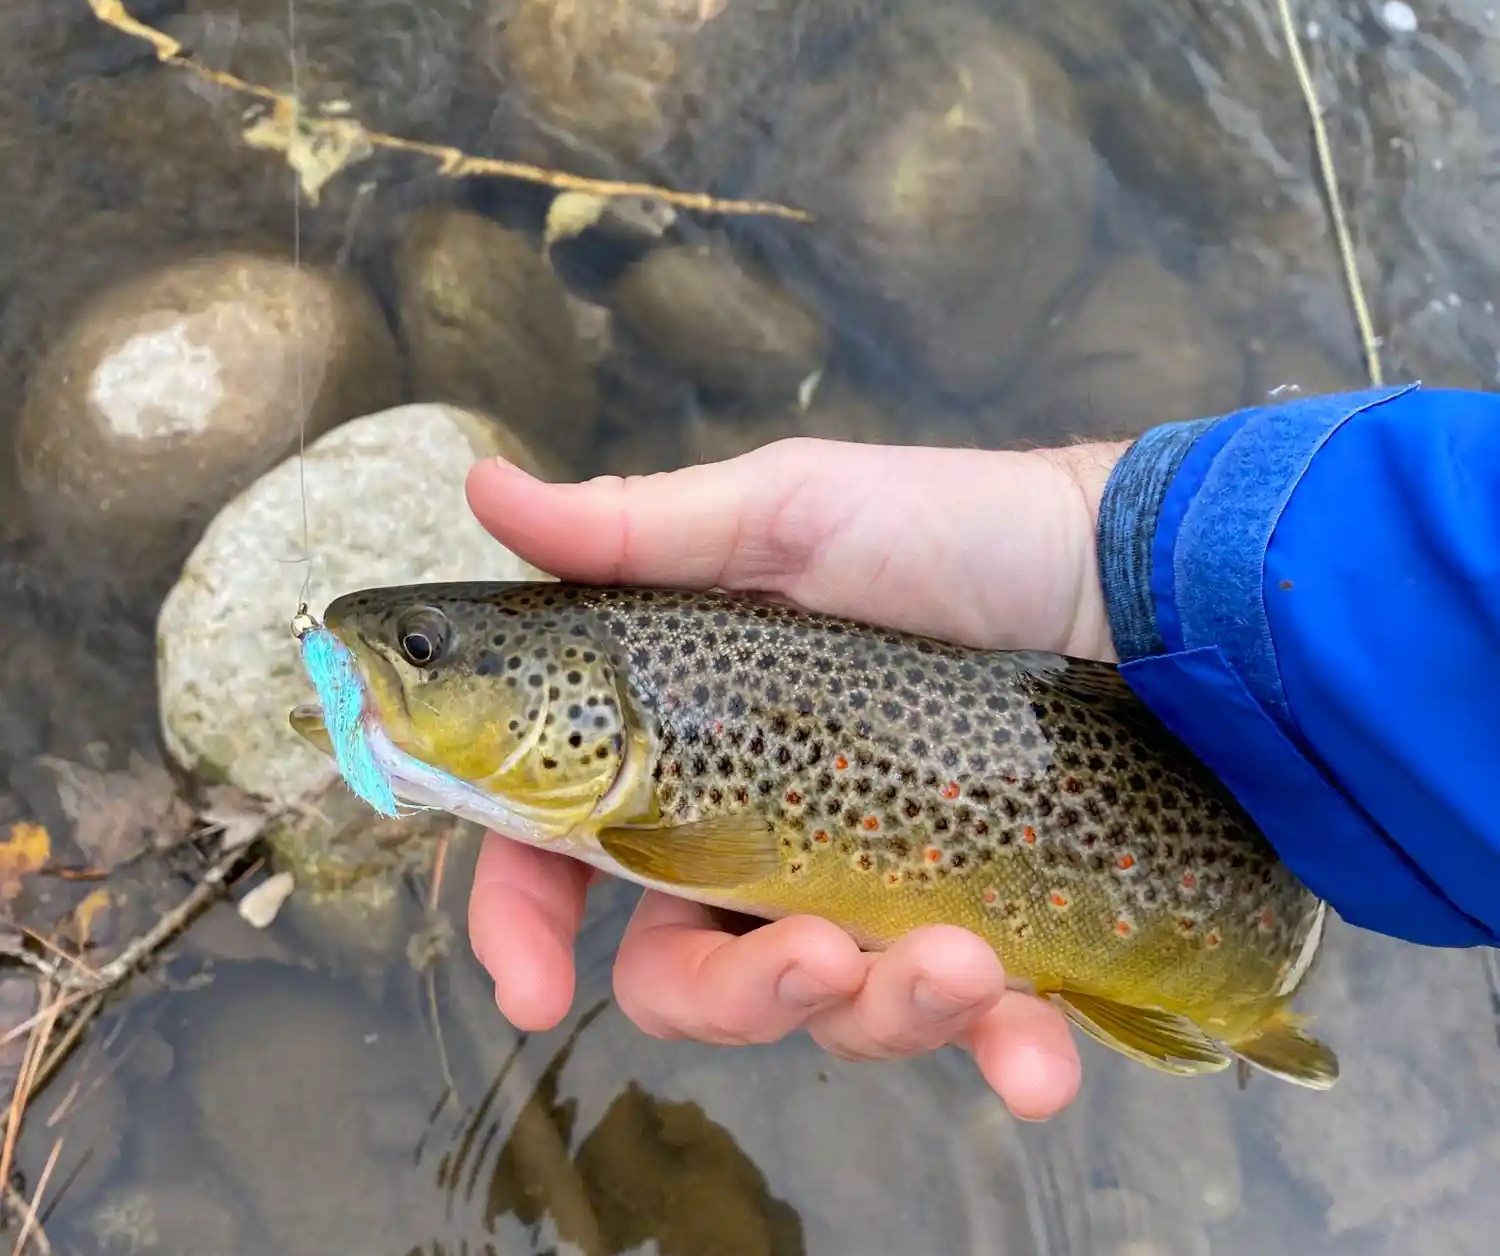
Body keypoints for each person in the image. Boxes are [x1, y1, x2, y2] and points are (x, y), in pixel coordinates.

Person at [461, 380, 1500, 1122]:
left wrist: (1121, 555)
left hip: (1244, 915)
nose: (398, 668)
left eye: (424, 652)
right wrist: (1103, 552)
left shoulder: (643, 815)